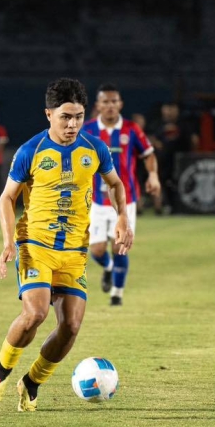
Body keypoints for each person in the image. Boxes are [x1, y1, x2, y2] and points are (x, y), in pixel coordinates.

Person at [0, 77, 132, 412]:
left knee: (71, 327)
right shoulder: (30, 151)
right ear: (48, 114)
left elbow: (115, 184)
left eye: (78, 116)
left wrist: (123, 218)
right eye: (65, 116)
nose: (73, 124)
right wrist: (8, 242)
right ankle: (0, 372)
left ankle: (31, 383)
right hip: (36, 244)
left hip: (74, 252)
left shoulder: (94, 148)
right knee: (35, 313)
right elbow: (7, 198)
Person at [83, 83, 160, 306]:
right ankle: (107, 268)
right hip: (97, 200)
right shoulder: (87, 130)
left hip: (126, 201)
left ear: (120, 104)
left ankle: (117, 294)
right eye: (105, 102)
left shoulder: (132, 129)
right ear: (98, 105)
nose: (110, 106)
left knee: (120, 247)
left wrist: (153, 175)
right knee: (97, 250)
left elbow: (149, 154)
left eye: (114, 101)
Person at [151, 100, 197, 214]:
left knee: (181, 183)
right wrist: (156, 143)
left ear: (177, 110)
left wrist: (192, 154)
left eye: (172, 109)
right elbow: (149, 137)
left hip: (182, 160)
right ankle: (163, 206)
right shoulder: (157, 123)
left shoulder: (183, 124)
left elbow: (194, 139)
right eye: (167, 108)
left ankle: (181, 206)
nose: (169, 111)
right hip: (163, 160)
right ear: (163, 110)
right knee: (163, 183)